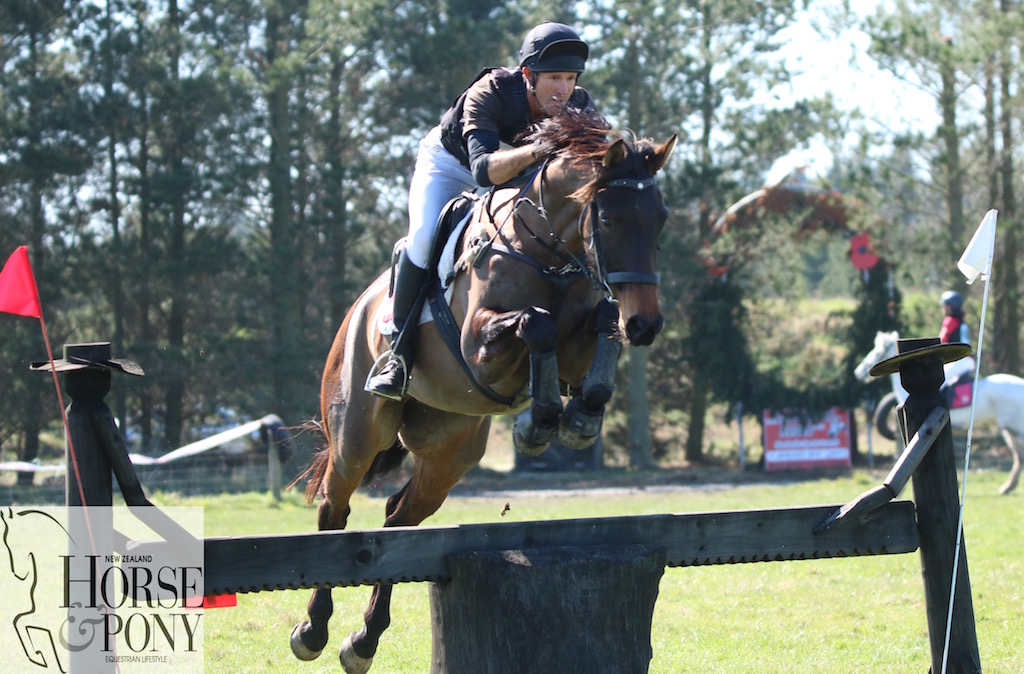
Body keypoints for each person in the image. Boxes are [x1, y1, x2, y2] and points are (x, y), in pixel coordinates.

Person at [366, 22, 597, 400]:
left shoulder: (577, 104)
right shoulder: (489, 91)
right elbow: (483, 172)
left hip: (520, 179)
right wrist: (541, 150)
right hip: (451, 167)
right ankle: (398, 355)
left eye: (570, 78)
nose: (564, 89)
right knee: (424, 238)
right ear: (528, 75)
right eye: (554, 78)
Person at [939, 290, 974, 385]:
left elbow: (941, 342)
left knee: (936, 383)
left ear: (949, 307)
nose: (942, 308)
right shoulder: (962, 321)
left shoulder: (949, 321)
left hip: (959, 361)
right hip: (968, 361)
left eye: (944, 305)